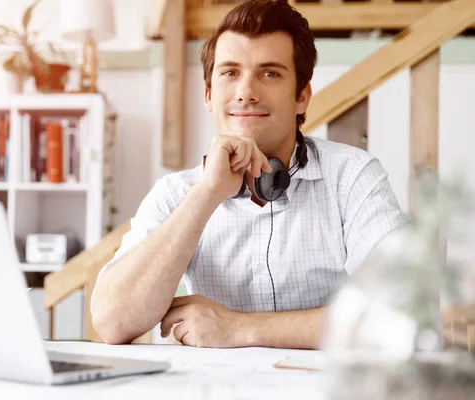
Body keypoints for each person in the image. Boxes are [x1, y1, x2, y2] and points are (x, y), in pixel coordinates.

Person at [91, 0, 407, 349]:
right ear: (209, 95)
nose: (246, 92)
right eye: (230, 73)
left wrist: (238, 329)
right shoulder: (175, 193)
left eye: (269, 73)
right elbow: (112, 322)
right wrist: (206, 193)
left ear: (302, 96)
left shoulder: (353, 178)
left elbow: (403, 312)